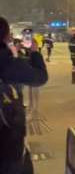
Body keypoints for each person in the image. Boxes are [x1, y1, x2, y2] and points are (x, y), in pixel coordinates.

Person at [0, 16, 48, 174]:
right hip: (8, 147)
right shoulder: (8, 64)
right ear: (6, 36)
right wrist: (34, 53)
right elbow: (40, 77)